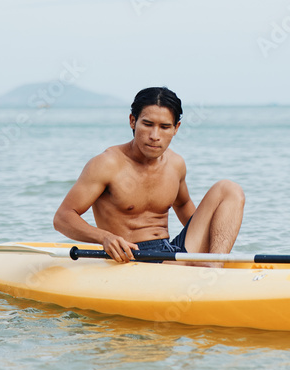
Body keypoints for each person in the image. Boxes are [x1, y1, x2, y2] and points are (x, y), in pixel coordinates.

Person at [53, 86, 245, 263]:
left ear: (176, 128)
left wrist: (207, 240)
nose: (155, 135)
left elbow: (183, 204)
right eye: (147, 124)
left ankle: (216, 267)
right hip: (132, 257)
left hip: (171, 251)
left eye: (164, 127)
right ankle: (205, 269)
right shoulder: (107, 164)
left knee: (230, 189)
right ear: (132, 121)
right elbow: (62, 217)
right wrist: (104, 237)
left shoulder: (176, 164)